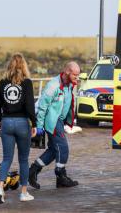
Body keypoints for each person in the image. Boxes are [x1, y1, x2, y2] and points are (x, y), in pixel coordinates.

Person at [28, 61, 81, 189]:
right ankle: (60, 175)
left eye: (78, 75)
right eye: (75, 75)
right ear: (67, 72)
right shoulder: (53, 85)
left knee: (53, 150)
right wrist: (39, 126)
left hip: (59, 120)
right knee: (63, 148)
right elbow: (42, 106)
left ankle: (33, 171)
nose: (77, 78)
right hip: (52, 121)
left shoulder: (70, 84)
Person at [0, 53, 37, 204]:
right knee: (23, 160)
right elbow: (30, 106)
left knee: (6, 158)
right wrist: (35, 123)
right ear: (24, 66)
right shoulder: (27, 83)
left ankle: (0, 189)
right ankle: (24, 193)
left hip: (6, 122)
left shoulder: (2, 82)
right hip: (22, 123)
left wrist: (0, 121)